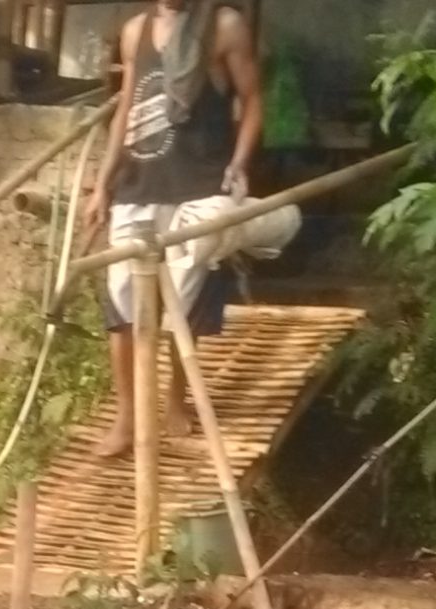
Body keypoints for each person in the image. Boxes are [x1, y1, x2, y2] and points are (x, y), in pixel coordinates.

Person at [83, 0, 264, 460]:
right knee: (122, 306)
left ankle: (176, 401)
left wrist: (239, 164)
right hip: (138, 185)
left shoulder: (223, 25)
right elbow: (126, 109)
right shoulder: (135, 32)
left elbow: (252, 99)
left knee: (184, 302)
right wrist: (102, 185)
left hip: (198, 185)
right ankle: (127, 418)